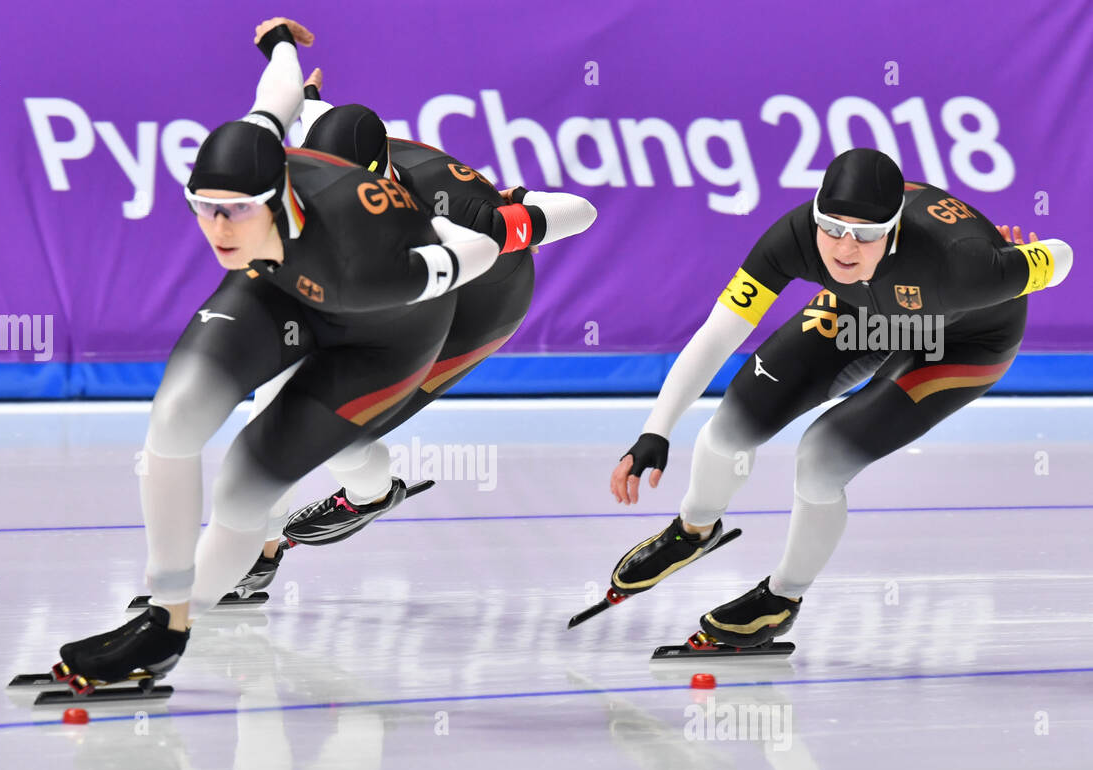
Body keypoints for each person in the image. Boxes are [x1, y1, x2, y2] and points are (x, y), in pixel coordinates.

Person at [54, 18, 503, 693]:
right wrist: (282, 41)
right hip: (285, 282)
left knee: (245, 481)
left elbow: (483, 247)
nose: (215, 229)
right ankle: (163, 606)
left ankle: (174, 628)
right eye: (203, 209)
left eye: (233, 211)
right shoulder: (263, 162)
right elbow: (282, 90)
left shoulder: (367, 254)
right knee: (175, 415)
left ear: (277, 199)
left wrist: (506, 228)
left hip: (388, 329)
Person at [608, 147, 1073, 649]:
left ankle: (781, 600)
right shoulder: (795, 235)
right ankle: (692, 531)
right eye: (832, 227)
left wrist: (1030, 256)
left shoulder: (963, 267)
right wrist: (655, 429)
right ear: (815, 214)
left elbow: (1063, 255)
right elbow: (719, 333)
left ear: (894, 230)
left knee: (821, 458)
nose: (845, 248)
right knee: (735, 420)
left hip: (962, 339)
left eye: (867, 234)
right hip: (865, 307)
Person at [234, 74, 596, 588]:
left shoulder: (456, 207)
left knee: (331, 431)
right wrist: (308, 93)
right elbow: (316, 113)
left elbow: (582, 211)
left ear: (383, 182)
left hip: (474, 306)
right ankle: (257, 554)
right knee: (274, 400)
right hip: (389, 287)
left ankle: (370, 495)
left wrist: (515, 217)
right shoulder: (320, 165)